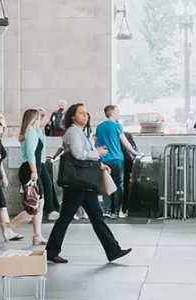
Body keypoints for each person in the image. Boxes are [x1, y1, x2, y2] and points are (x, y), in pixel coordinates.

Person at [44, 103, 134, 264]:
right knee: (67, 218)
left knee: (95, 217)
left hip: (84, 182)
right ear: (73, 116)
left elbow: (85, 155)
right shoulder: (73, 132)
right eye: (81, 113)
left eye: (86, 113)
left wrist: (100, 164)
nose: (85, 116)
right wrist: (97, 153)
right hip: (77, 183)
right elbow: (78, 154)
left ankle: (113, 250)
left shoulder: (81, 132)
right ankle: (52, 251)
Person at [95, 105, 139, 219]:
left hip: (104, 159)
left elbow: (95, 142)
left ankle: (107, 210)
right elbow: (125, 142)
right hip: (116, 159)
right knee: (119, 185)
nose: (119, 114)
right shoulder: (117, 126)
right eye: (117, 112)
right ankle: (117, 210)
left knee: (106, 183)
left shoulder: (99, 127)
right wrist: (135, 153)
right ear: (112, 113)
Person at [15, 109, 49, 244]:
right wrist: (34, 171)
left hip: (31, 169)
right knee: (35, 204)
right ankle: (9, 226)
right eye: (38, 118)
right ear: (34, 120)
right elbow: (31, 154)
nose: (40, 121)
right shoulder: (31, 133)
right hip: (30, 170)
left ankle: (37, 235)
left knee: (38, 202)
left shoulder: (32, 132)